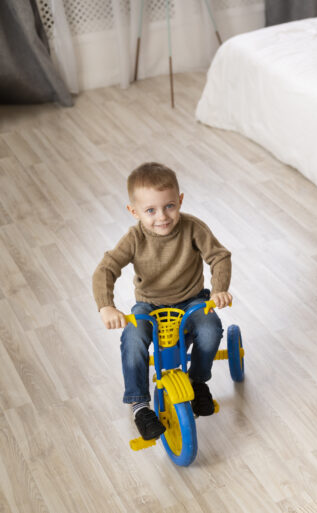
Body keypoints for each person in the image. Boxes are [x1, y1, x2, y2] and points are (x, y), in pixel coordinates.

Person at [92, 162, 232, 440]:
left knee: (210, 329)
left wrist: (219, 290)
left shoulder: (192, 227)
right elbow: (105, 269)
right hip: (150, 307)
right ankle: (139, 403)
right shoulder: (134, 238)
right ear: (134, 212)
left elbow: (220, 256)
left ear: (180, 200)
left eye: (169, 206)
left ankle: (198, 380)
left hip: (191, 300)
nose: (162, 217)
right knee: (132, 338)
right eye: (150, 210)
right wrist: (106, 306)